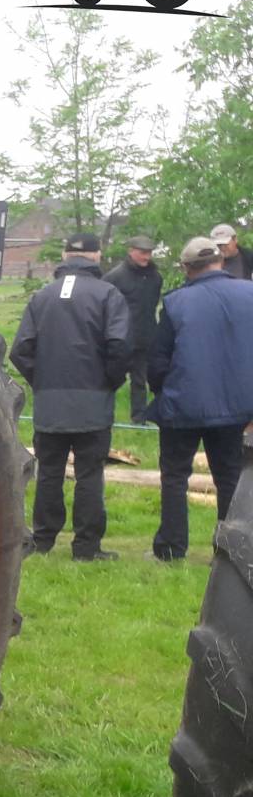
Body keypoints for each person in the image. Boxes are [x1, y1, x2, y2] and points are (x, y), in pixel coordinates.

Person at [12, 232, 131, 561]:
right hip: (93, 401)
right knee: (89, 474)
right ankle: (86, 546)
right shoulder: (108, 294)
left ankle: (43, 539)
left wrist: (42, 381)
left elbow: (21, 349)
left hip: (50, 401)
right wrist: (109, 381)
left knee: (49, 471)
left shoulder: (42, 297)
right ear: (97, 256)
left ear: (65, 256)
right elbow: (119, 346)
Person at [147, 236, 253, 560]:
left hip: (183, 405)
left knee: (176, 477)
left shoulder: (176, 302)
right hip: (236, 407)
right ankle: (229, 550)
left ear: (186, 268)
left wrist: (162, 390)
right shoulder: (249, 294)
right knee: (230, 477)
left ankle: (171, 548)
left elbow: (158, 360)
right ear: (219, 261)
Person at [104, 236, 163, 422]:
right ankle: (105, 416)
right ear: (131, 251)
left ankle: (139, 418)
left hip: (145, 337)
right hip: (119, 339)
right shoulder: (115, 277)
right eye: (142, 252)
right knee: (111, 379)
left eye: (149, 253)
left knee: (140, 381)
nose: (147, 257)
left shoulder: (155, 276)